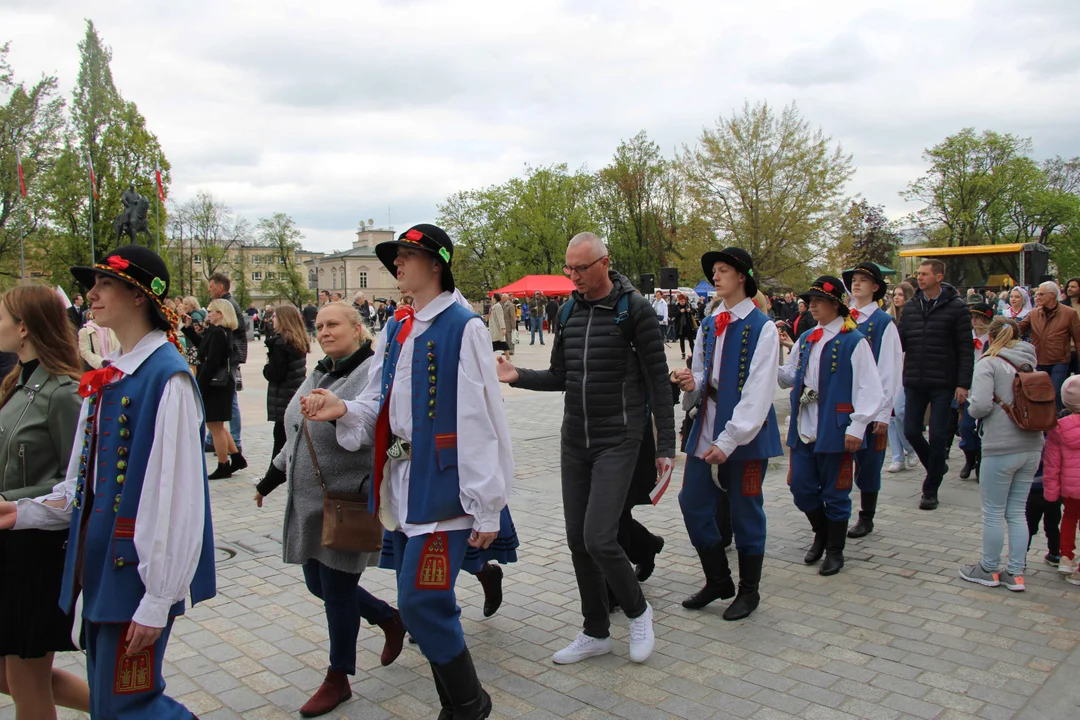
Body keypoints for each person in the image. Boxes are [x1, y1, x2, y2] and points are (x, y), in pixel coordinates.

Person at [302, 224, 512, 719]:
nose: (396, 264)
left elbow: (480, 418)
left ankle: (468, 705)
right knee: (420, 599)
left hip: (446, 487)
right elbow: (378, 398)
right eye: (395, 257)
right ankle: (462, 703)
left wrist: (487, 505)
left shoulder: (465, 326)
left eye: (406, 256)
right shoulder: (398, 327)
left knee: (420, 600)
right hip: (405, 483)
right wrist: (342, 409)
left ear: (435, 264)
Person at [0, 244, 216, 718]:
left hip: (132, 574)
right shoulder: (112, 373)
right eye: (92, 285)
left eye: (105, 284)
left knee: (128, 706)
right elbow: (82, 484)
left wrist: (158, 598)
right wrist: (21, 512)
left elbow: (177, 500)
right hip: (99, 568)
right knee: (110, 703)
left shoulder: (167, 378)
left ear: (139, 296)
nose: (91, 294)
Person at [497, 232, 674, 665]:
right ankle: (595, 630)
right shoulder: (571, 309)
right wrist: (517, 374)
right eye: (567, 268)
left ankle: (638, 611)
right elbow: (561, 375)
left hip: (620, 438)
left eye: (580, 268)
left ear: (604, 263)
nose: (572, 276)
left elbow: (657, 380)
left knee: (600, 537)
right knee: (578, 539)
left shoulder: (636, 311)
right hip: (574, 438)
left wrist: (666, 446)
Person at [254, 301, 405, 716]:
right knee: (317, 585)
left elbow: (387, 435)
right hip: (307, 501)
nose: (323, 331)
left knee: (336, 592)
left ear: (358, 328)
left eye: (333, 324)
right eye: (318, 325)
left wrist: (342, 419)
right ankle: (389, 617)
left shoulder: (371, 374)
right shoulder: (321, 371)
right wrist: (272, 476)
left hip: (346, 500)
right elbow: (298, 431)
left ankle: (338, 679)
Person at [673, 248, 781, 620]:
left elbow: (759, 389)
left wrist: (730, 438)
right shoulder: (710, 323)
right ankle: (718, 578)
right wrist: (691, 381)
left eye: (722, 271)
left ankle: (749, 591)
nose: (715, 277)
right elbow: (704, 375)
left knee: (745, 510)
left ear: (741, 277)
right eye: (714, 271)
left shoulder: (762, 327)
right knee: (692, 502)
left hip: (745, 434)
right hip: (707, 424)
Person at [0, 286, 89, 718]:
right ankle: (127, 710)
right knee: (13, 675)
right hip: (11, 542)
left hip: (35, 552)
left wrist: (8, 498)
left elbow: (76, 482)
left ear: (23, 328)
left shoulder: (63, 392)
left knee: (25, 678)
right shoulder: (19, 381)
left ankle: (132, 709)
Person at [778, 276, 883, 576]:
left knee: (836, 492)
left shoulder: (854, 340)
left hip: (836, 427)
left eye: (818, 300)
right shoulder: (808, 337)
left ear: (836, 304)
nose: (811, 305)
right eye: (809, 300)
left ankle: (835, 551)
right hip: (804, 426)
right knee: (801, 488)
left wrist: (858, 425)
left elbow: (870, 389)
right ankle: (821, 532)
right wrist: (769, 356)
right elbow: (788, 376)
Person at [959, 317, 1044, 591]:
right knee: (1017, 511)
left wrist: (971, 407)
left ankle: (988, 567)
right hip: (1032, 444)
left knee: (993, 512)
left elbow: (980, 406)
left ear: (991, 339)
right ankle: (1016, 573)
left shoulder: (989, 362)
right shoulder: (1029, 361)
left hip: (1000, 445)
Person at [898, 259, 974, 511]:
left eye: (924, 274)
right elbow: (899, 344)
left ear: (939, 277)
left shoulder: (957, 308)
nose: (919, 278)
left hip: (943, 382)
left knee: (939, 436)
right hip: (914, 380)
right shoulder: (910, 307)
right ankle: (937, 466)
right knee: (910, 430)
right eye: (918, 274)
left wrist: (963, 383)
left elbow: (965, 348)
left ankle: (930, 489)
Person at [842, 263, 902, 540]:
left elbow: (889, 370)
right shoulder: (845, 318)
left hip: (872, 404)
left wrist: (883, 412)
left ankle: (867, 516)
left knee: (869, 463)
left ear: (875, 287)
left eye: (863, 281)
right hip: (844, 402)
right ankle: (837, 510)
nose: (856, 285)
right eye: (854, 280)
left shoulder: (882, 323)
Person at [187, 299, 247, 479]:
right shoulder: (221, 331)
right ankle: (235, 457)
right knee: (218, 424)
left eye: (212, 311)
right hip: (220, 383)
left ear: (220, 314)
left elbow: (211, 361)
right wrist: (190, 329)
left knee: (214, 425)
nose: (208, 314)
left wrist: (199, 383)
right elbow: (204, 349)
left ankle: (224, 465)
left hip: (215, 384)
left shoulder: (217, 333)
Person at [1019, 281, 1080, 411]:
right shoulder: (1034, 313)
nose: (1037, 297)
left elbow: (1078, 339)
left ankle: (1056, 423)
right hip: (1038, 360)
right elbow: (1019, 329)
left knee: (1055, 393)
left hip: (1060, 360)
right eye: (1036, 295)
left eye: (1041, 294)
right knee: (1039, 395)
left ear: (1052, 295)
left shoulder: (1069, 313)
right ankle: (1042, 423)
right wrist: (1004, 329)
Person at [262, 304, 309, 467]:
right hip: (294, 392)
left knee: (280, 437)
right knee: (287, 436)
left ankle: (274, 474)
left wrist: (267, 367)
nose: (272, 320)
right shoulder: (297, 340)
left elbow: (276, 375)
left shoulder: (280, 344)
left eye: (275, 317)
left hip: (283, 396)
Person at [1045, 376, 1080, 583]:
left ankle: (1065, 557)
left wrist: (1051, 491)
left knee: (1069, 517)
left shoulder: (1058, 428)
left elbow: (1052, 463)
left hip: (1069, 488)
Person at [208, 273, 247, 451]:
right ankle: (214, 439)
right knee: (223, 399)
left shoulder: (227, 304)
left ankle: (235, 441)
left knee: (229, 399)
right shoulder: (226, 302)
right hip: (231, 356)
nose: (209, 289)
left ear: (220, 287)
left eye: (211, 286)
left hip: (230, 358)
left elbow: (235, 330)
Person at [958, 302, 994, 481]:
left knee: (983, 429)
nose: (976, 321)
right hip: (968, 389)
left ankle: (981, 460)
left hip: (985, 391)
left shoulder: (993, 341)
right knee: (964, 427)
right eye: (973, 317)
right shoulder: (966, 338)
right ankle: (969, 457)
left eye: (980, 318)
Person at [886, 282, 918, 472]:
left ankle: (910, 448)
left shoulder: (913, 316)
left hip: (908, 368)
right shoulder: (889, 318)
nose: (897, 298)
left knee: (900, 412)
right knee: (889, 414)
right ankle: (897, 457)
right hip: (890, 368)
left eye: (900, 294)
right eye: (894, 294)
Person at [673, 293, 699, 360]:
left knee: (691, 340)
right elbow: (674, 314)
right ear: (679, 301)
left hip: (688, 326)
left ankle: (693, 352)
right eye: (681, 301)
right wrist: (680, 312)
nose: (682, 302)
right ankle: (683, 353)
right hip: (681, 326)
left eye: (684, 301)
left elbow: (694, 312)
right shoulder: (677, 306)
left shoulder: (688, 305)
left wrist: (690, 311)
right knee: (682, 340)